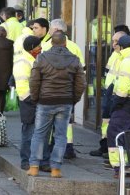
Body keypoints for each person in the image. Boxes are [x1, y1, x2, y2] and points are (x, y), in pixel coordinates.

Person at [27, 31, 86, 178]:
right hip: (65, 102)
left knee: (39, 134)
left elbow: (34, 81)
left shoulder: (42, 58)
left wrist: (35, 98)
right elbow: (81, 84)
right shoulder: (74, 59)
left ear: (52, 42)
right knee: (61, 136)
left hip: (45, 101)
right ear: (65, 43)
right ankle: (56, 169)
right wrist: (73, 100)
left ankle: (34, 167)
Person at [42, 19, 85, 159]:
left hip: (50, 90)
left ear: (55, 31)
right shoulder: (75, 46)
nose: (48, 31)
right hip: (68, 90)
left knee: (48, 119)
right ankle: (68, 147)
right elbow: (81, 70)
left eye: (50, 29)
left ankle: (49, 148)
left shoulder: (46, 45)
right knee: (67, 120)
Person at [13, 36, 50, 171]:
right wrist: (32, 99)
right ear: (31, 48)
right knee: (29, 132)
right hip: (28, 101)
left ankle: (43, 161)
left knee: (43, 132)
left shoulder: (36, 59)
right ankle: (26, 161)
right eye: (38, 46)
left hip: (38, 100)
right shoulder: (23, 62)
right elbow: (22, 86)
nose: (40, 48)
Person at [106, 35, 130, 178]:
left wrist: (115, 105)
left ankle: (120, 167)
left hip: (127, 103)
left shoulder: (127, 61)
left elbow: (123, 89)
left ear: (122, 47)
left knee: (114, 132)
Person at [90, 30, 126, 157]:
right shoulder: (114, 55)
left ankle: (113, 152)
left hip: (118, 94)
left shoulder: (126, 57)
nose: (114, 44)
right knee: (106, 121)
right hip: (109, 92)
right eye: (113, 41)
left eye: (117, 41)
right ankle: (105, 146)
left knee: (115, 123)